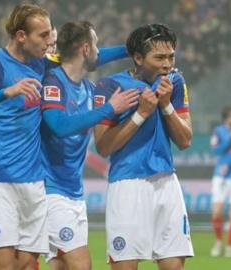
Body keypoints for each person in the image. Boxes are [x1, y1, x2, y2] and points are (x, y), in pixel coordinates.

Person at [0, 4, 129, 269]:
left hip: (34, 179)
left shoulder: (43, 63)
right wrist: (8, 91)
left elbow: (87, 58)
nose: (51, 41)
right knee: (4, 264)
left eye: (51, 33)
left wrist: (131, 49)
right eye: (44, 35)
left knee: (27, 264)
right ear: (21, 36)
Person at [93, 24, 194, 270]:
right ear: (138, 58)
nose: (167, 64)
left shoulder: (175, 83)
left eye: (171, 57)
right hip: (127, 185)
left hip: (167, 183)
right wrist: (140, 114)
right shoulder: (109, 86)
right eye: (159, 58)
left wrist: (166, 105)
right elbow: (104, 147)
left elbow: (184, 140)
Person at [40, 21, 139, 270]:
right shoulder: (53, 82)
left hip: (74, 192)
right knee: (82, 265)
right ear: (85, 49)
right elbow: (59, 125)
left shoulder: (88, 88)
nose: (99, 50)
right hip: (50, 190)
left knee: (61, 267)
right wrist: (109, 108)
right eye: (95, 43)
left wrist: (132, 50)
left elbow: (101, 58)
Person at [209, 107, 231, 257]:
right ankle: (218, 242)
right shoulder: (219, 131)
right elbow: (215, 150)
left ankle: (229, 246)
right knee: (216, 213)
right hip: (220, 176)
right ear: (228, 119)